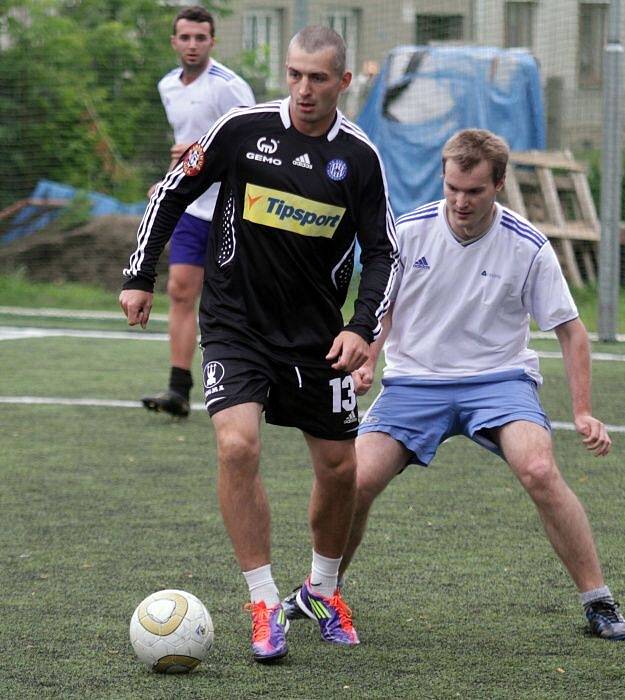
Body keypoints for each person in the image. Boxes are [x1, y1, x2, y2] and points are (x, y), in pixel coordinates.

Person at [283, 128, 625, 642]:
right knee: (354, 481)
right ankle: (323, 592)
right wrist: (368, 358)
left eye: (474, 191)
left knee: (538, 468)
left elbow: (571, 332)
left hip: (499, 380)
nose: (460, 201)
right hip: (414, 386)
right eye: (452, 188)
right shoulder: (409, 231)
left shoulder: (529, 246)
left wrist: (582, 410)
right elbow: (382, 309)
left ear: (499, 183)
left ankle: (598, 601)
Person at [120, 26, 398, 662]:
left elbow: (383, 251)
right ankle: (264, 601)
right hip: (235, 323)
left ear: (343, 82)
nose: (304, 89)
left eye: (318, 78)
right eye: (295, 75)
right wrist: (140, 274)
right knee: (237, 444)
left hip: (316, 337)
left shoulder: (358, 158)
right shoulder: (243, 130)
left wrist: (360, 328)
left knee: (339, 470)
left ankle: (323, 590)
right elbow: (172, 191)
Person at [142, 5, 255, 417]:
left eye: (200, 38)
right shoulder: (168, 85)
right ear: (174, 41)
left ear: (213, 42)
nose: (192, 45)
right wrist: (170, 179)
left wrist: (201, 154)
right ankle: (178, 388)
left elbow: (254, 145)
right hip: (193, 207)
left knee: (239, 299)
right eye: (185, 38)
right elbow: (185, 147)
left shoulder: (230, 87)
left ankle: (254, 383)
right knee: (180, 289)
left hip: (233, 207)